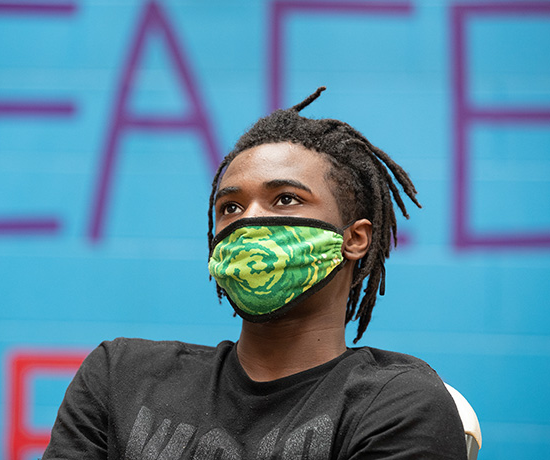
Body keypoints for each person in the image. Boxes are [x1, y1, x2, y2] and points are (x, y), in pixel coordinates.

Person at [42, 87, 467, 459]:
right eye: (230, 207)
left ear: (354, 240)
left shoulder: (398, 404)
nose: (249, 220)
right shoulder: (119, 375)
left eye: (284, 199)